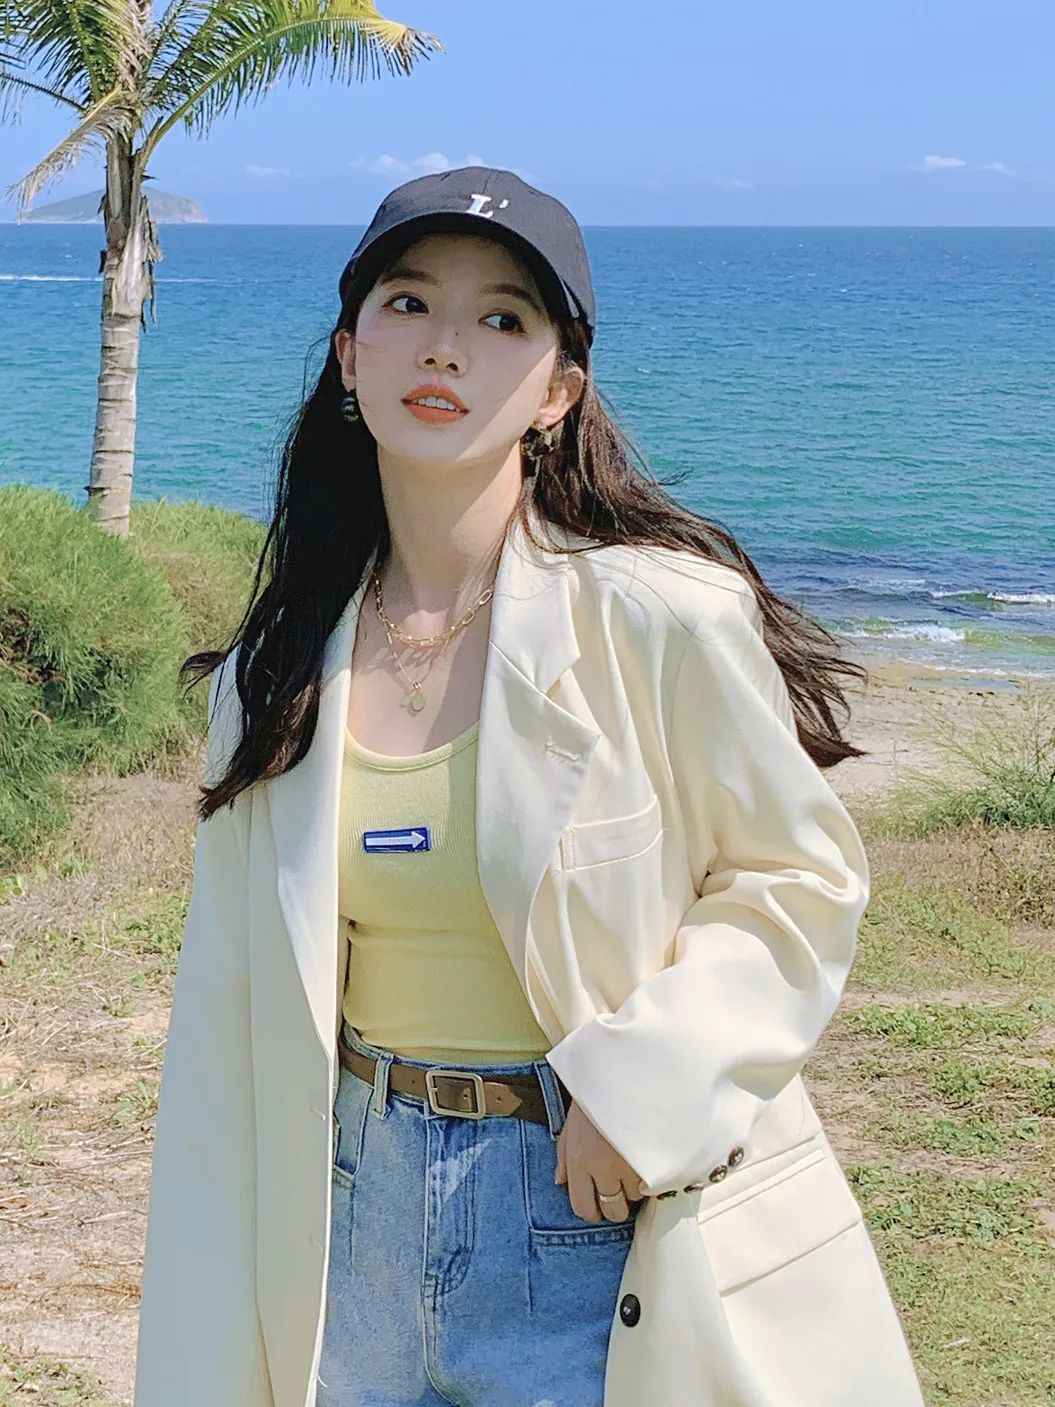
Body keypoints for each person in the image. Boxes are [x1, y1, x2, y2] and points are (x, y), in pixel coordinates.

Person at [133, 166, 926, 1406]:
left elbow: (797, 878)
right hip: (346, 1210)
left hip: (584, 1207)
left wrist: (635, 1090)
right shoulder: (274, 673)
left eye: (502, 318)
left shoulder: (655, 615)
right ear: (348, 357)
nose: (445, 346)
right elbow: (231, 1008)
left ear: (558, 391)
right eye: (407, 304)